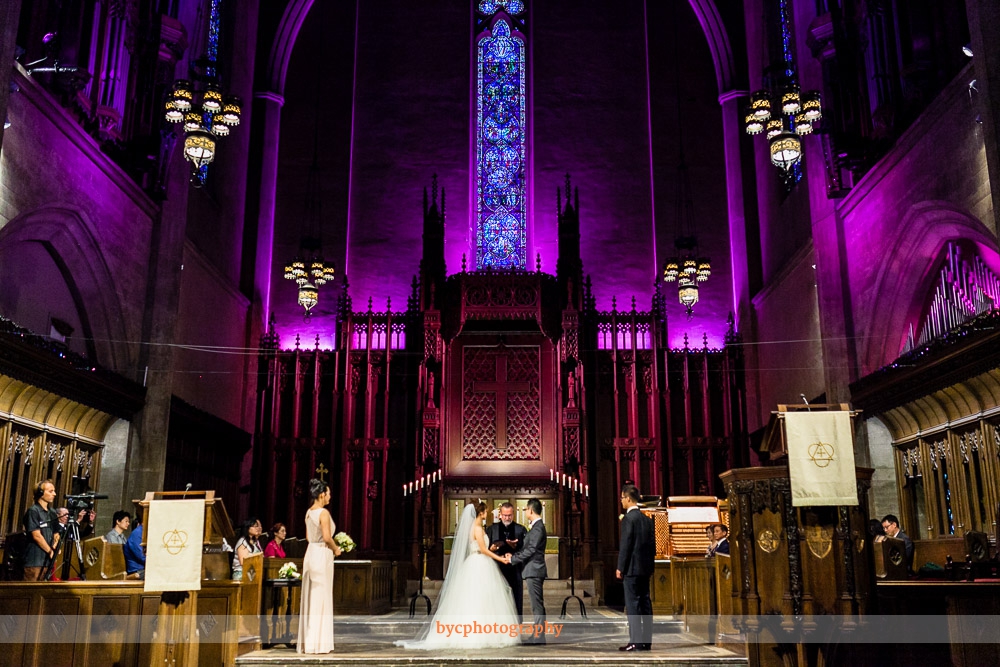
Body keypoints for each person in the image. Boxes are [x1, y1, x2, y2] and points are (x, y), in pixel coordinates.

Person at [397, 502, 520, 649]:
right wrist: (500, 558)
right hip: (480, 563)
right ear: (480, 513)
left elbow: (482, 547)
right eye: (485, 511)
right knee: (481, 599)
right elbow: (483, 550)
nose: (487, 514)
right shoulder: (478, 529)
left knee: (477, 598)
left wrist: (492, 548)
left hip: (475, 561)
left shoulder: (472, 528)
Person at [298, 479, 342, 654]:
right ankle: (318, 642)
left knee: (312, 596)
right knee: (321, 596)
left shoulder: (309, 512)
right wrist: (336, 548)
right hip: (322, 553)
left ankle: (310, 640)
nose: (330, 497)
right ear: (322, 494)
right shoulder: (323, 513)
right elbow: (326, 537)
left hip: (311, 552)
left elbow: (309, 538)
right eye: (329, 493)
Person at [617, 483, 654, 652]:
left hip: (631, 569)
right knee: (645, 604)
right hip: (645, 568)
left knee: (632, 606)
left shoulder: (628, 519)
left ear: (629, 498)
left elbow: (626, 545)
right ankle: (646, 642)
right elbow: (652, 546)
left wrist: (620, 567)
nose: (621, 500)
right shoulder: (647, 519)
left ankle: (635, 642)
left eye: (622, 498)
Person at [507, 497, 548, 644]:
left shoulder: (538, 527)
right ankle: (538, 634)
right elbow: (528, 546)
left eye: (526, 509)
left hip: (535, 569)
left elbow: (531, 549)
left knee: (536, 605)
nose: (525, 511)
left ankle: (539, 636)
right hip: (532, 569)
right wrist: (516, 547)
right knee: (535, 604)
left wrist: (513, 559)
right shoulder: (535, 527)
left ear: (531, 510)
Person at [486, 501, 527, 619]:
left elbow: (526, 550)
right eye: (504, 515)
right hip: (497, 569)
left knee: (516, 597)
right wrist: (492, 548)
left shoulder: (520, 529)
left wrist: (515, 549)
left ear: (513, 514)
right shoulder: (492, 529)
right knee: (497, 598)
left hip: (515, 569)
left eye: (509, 515)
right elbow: (485, 549)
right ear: (500, 514)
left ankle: (517, 625)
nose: (507, 518)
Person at [23, 479, 60, 581]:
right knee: (31, 593)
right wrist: (50, 551)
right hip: (35, 562)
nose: (55, 494)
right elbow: (36, 535)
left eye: (54, 491)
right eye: (50, 491)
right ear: (40, 493)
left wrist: (54, 546)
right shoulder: (33, 511)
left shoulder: (52, 512)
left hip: (48, 562)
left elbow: (56, 533)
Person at [123, 515, 145, 579]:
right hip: (137, 570)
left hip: (145, 569)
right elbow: (141, 556)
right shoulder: (137, 533)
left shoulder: (145, 532)